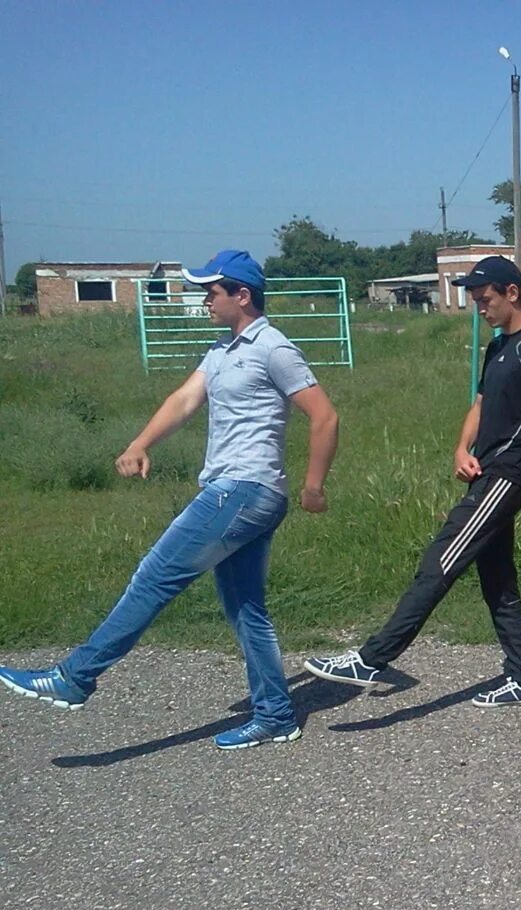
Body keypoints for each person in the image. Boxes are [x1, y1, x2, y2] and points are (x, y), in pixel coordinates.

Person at [0, 250, 339, 749]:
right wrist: (140, 444)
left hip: (244, 490)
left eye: (211, 292)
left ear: (242, 295)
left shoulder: (274, 348)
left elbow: (324, 415)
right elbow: (183, 400)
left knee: (154, 577)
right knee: (246, 609)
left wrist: (313, 486)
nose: (205, 300)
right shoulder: (222, 350)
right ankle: (275, 714)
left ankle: (75, 676)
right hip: (239, 492)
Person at [305, 256, 521, 706]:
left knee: (440, 560)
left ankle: (371, 659)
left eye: (485, 299)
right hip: (484, 474)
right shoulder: (498, 347)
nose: (480, 308)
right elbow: (481, 403)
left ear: (513, 292)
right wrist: (461, 449)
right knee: (497, 579)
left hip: (508, 478)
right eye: (475, 301)